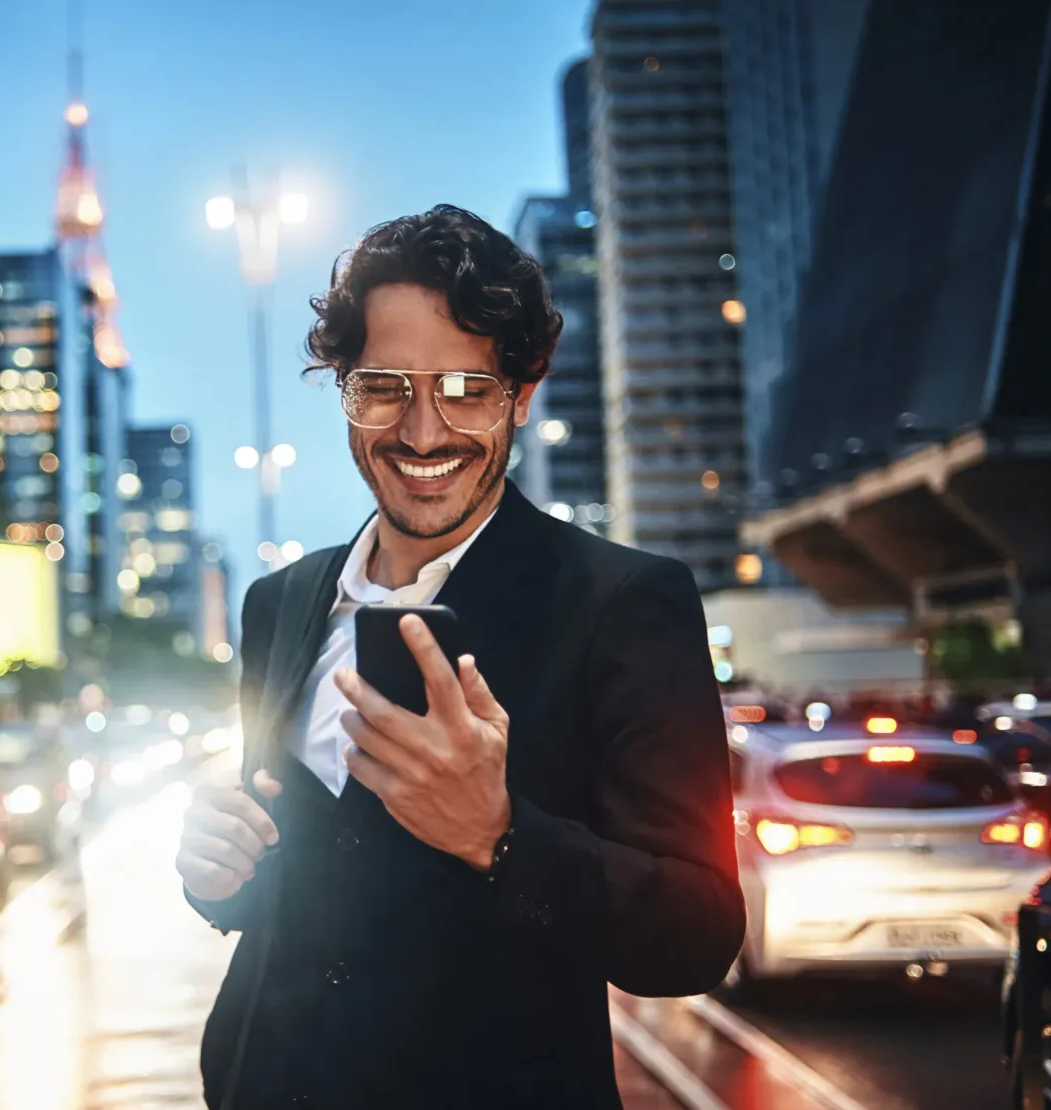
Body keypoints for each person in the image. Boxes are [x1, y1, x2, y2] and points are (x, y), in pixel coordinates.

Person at [176, 205, 744, 1109]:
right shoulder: (278, 602)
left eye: (467, 390)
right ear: (344, 389)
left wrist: (499, 835)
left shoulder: (624, 604)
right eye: (383, 387)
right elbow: (288, 882)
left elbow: (697, 935)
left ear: (521, 394)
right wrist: (219, 876)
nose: (423, 432)